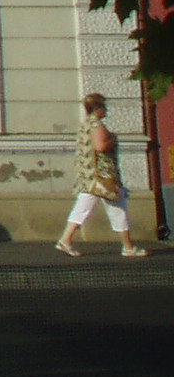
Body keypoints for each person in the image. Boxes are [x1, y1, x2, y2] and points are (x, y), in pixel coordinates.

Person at [58, 92, 148, 259]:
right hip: (103, 176)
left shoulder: (85, 124)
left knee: (82, 208)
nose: (106, 110)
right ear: (98, 108)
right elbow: (100, 146)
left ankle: (66, 240)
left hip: (89, 176)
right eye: (104, 107)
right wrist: (113, 139)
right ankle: (128, 247)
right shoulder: (97, 125)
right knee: (118, 207)